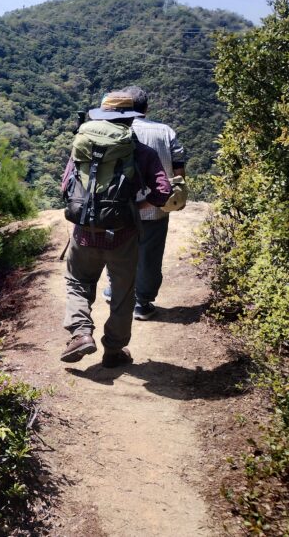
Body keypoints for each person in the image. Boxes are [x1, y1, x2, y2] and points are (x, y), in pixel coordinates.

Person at [60, 91, 172, 368]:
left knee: (78, 283)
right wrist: (136, 204)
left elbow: (65, 188)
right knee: (123, 293)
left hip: (84, 233)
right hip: (123, 235)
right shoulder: (141, 152)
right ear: (130, 119)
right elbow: (163, 192)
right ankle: (113, 352)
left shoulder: (82, 146)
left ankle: (81, 333)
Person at [123, 85, 188, 320]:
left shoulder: (117, 130)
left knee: (121, 250)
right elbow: (179, 171)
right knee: (150, 256)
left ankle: (116, 292)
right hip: (156, 208)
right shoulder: (166, 131)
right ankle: (142, 303)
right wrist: (176, 198)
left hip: (121, 207)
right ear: (146, 108)